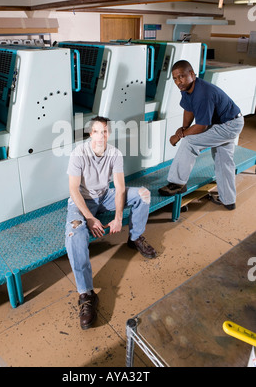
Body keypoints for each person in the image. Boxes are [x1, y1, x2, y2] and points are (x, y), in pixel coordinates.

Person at [65, 115, 156, 330]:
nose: (100, 136)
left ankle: (134, 238)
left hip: (105, 196)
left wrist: (117, 217)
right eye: (96, 131)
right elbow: (73, 189)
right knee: (75, 233)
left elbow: (120, 188)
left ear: (108, 134)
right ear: (90, 134)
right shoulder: (78, 154)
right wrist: (88, 217)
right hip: (81, 202)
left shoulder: (114, 154)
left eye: (104, 132)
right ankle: (86, 294)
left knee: (143, 193)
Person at [159, 60, 244, 210]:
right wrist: (184, 128)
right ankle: (229, 200)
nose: (178, 81)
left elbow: (202, 126)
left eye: (182, 76)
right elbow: (188, 108)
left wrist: (180, 136)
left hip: (228, 125)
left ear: (192, 74)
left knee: (189, 142)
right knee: (223, 160)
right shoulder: (187, 88)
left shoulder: (202, 94)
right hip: (229, 122)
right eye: (175, 78)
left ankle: (177, 183)